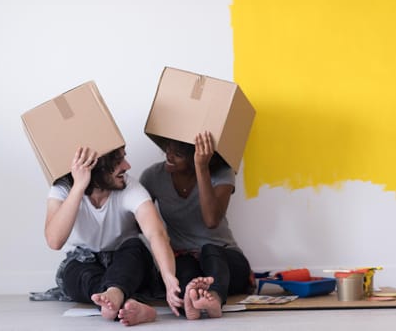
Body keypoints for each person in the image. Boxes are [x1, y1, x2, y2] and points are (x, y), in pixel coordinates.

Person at [45, 146, 183, 326]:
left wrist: (168, 276)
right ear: (95, 167)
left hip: (125, 262)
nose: (127, 166)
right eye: (117, 162)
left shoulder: (130, 186)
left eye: (123, 158)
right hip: (85, 262)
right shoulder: (63, 188)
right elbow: (54, 241)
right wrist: (79, 186)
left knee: (134, 247)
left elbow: (156, 233)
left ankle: (114, 297)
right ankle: (119, 302)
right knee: (74, 272)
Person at [140, 131, 253, 320]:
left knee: (210, 251)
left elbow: (211, 220)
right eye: (168, 149)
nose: (169, 156)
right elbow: (138, 224)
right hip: (185, 257)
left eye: (178, 154)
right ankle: (190, 301)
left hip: (224, 259)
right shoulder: (153, 176)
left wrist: (201, 168)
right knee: (183, 266)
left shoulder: (222, 173)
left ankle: (214, 298)